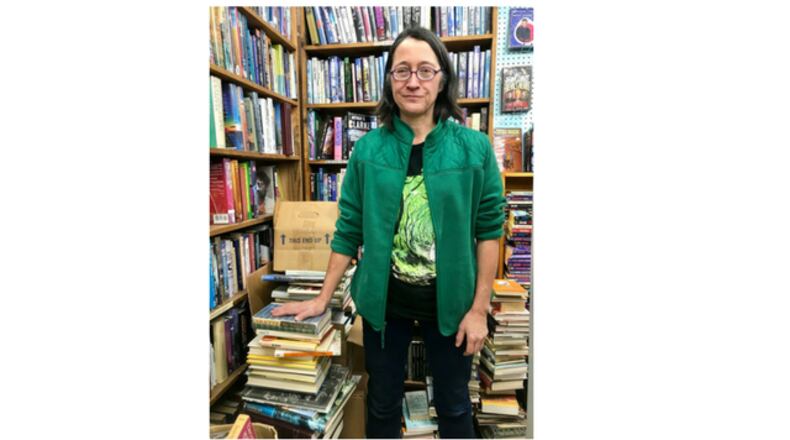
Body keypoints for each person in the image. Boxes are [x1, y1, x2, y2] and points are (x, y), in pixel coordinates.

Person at [272, 26, 505, 439]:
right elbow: (348, 229)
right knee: (381, 402)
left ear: (443, 79)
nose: (413, 81)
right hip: (384, 304)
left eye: (425, 70)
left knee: (453, 406)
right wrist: (323, 298)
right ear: (389, 80)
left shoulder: (474, 148)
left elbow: (488, 230)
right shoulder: (368, 150)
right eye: (401, 71)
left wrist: (478, 310)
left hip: (452, 304)